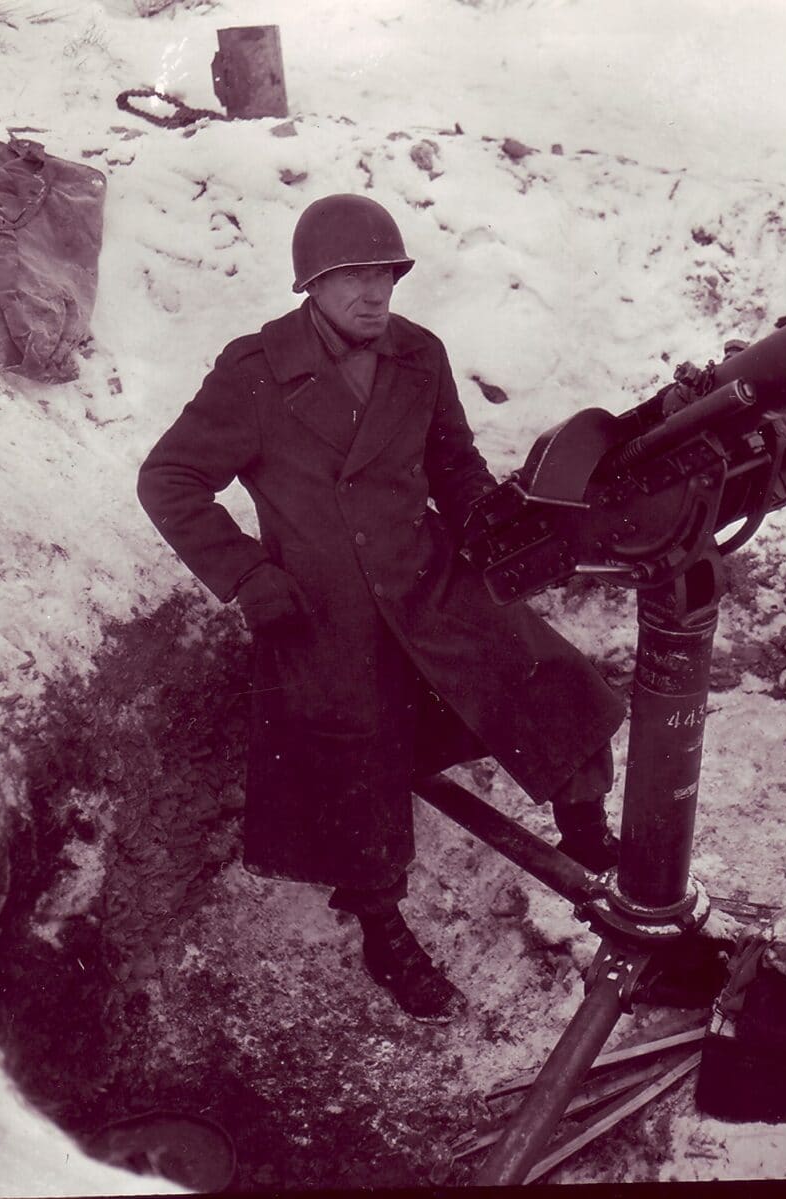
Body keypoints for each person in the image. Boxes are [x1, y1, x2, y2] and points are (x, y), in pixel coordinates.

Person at [138, 194, 625, 1024]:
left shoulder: (418, 356)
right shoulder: (255, 371)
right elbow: (169, 479)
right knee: (353, 757)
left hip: (427, 577)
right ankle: (382, 926)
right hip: (323, 610)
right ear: (312, 286)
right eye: (352, 277)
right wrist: (252, 578)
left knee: (544, 670)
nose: (374, 293)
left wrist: (489, 526)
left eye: (385, 275)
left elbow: (455, 464)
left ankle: (587, 837)